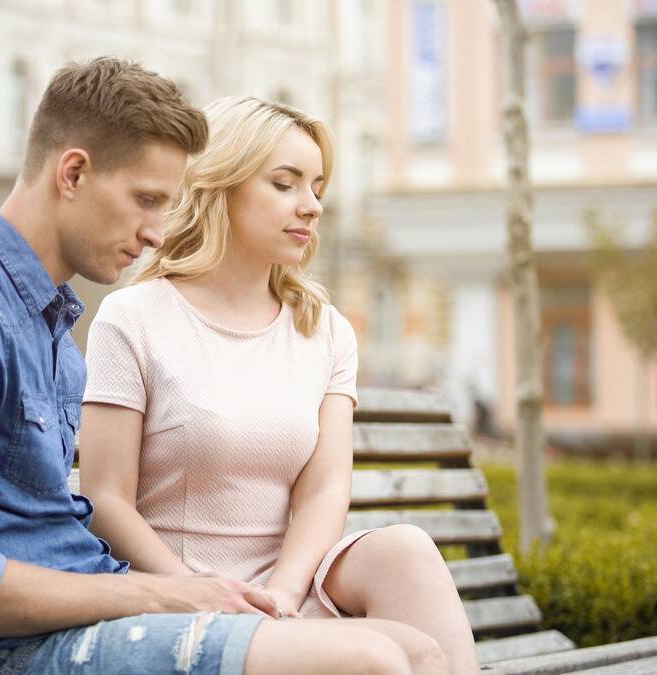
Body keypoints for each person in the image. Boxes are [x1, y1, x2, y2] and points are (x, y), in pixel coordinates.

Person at [0, 58, 444, 675]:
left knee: (419, 651)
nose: (159, 233)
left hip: (74, 624)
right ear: (74, 173)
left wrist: (174, 598)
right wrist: (168, 593)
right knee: (372, 661)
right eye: (147, 200)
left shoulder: (44, 320)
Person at [80, 96, 479, 674]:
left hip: (286, 593)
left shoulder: (326, 330)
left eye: (317, 187)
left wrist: (285, 600)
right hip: (176, 596)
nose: (311, 206)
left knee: (406, 551)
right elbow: (106, 500)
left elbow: (323, 491)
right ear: (223, 186)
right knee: (399, 660)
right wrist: (198, 591)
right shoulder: (133, 317)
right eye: (285, 184)